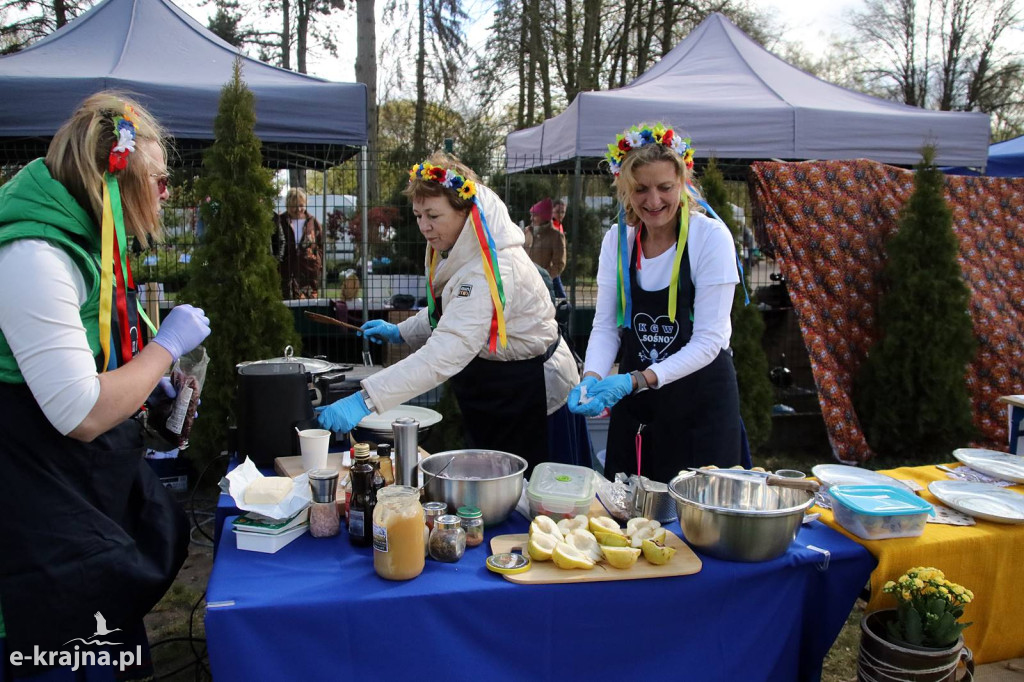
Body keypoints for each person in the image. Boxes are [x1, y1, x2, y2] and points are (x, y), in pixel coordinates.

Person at [0, 92, 211, 673]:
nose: (166, 194)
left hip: (73, 496)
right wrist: (165, 348)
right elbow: (81, 410)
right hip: (33, 516)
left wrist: (148, 386)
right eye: (159, 180)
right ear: (115, 180)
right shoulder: (34, 254)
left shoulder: (83, 239)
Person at [317, 153, 581, 473]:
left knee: (532, 486)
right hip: (501, 386)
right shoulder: (460, 246)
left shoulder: (490, 269)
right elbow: (453, 309)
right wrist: (401, 331)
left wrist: (365, 400)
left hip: (532, 395)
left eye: (433, 215)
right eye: (418, 215)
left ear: (465, 211)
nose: (424, 226)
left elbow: (446, 350)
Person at [567, 123, 742, 483]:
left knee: (694, 511)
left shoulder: (710, 238)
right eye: (640, 189)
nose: (653, 201)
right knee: (629, 507)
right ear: (624, 188)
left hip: (700, 404)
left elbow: (709, 340)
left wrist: (635, 380)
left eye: (665, 187)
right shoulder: (618, 240)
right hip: (639, 406)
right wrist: (592, 378)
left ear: (682, 183)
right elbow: (607, 326)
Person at [275, 188, 323, 299]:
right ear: (287, 205)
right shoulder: (280, 221)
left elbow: (321, 245)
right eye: (294, 206)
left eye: (301, 205)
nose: (298, 209)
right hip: (284, 272)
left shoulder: (313, 222)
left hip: (308, 274)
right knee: (285, 304)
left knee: (308, 306)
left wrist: (317, 263)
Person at [524, 197, 567, 299]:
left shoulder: (556, 236)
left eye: (535, 215)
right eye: (531, 215)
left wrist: (544, 277)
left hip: (542, 287)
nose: (531, 218)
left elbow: (559, 264)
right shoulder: (527, 232)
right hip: (524, 284)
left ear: (544, 216)